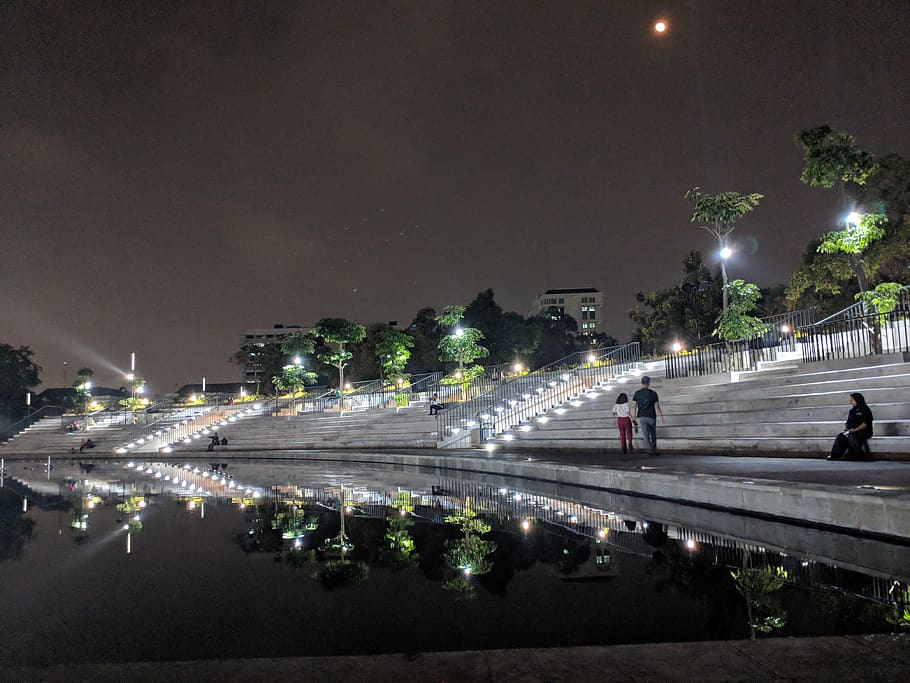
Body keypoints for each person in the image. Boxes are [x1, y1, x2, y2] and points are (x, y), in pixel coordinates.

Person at [828, 392, 874, 461]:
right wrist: (847, 429)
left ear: (857, 400)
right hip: (853, 431)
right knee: (841, 436)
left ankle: (857, 456)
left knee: (853, 435)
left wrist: (855, 430)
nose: (850, 401)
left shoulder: (865, 409)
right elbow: (848, 423)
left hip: (864, 431)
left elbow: (866, 423)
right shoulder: (852, 411)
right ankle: (835, 455)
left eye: (852, 399)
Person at [631, 375, 664, 456]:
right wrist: (661, 415)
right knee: (653, 434)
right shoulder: (653, 393)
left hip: (641, 416)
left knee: (645, 435)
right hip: (651, 416)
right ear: (649, 383)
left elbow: (634, 406)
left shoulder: (637, 393)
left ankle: (649, 450)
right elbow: (657, 406)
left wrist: (634, 417)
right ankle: (654, 450)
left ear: (641, 383)